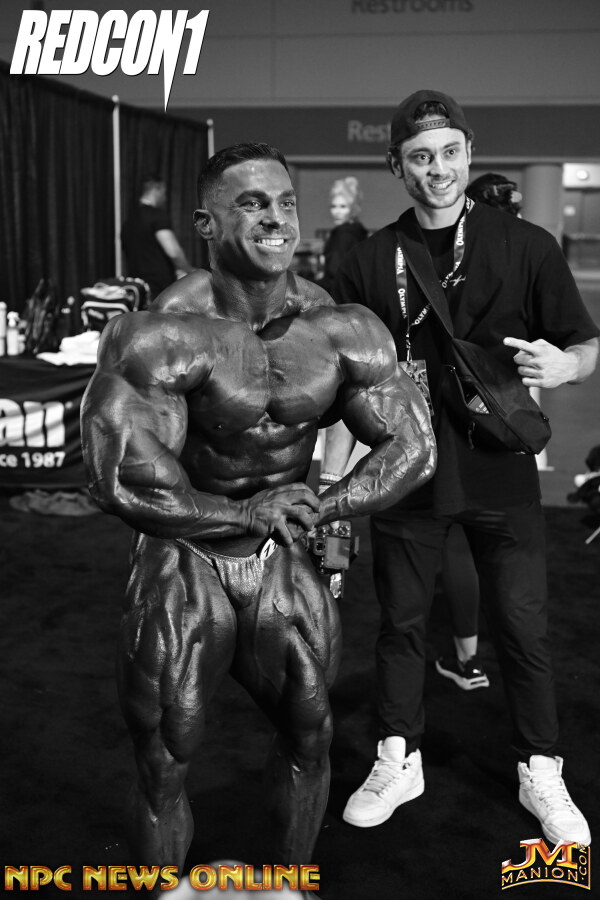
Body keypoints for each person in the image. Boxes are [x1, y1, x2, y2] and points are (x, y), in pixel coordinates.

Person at [80, 142, 436, 894]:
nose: (276, 218)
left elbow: (415, 446)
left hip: (283, 552)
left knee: (311, 733)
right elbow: (121, 479)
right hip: (187, 553)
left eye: (284, 203)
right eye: (252, 204)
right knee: (166, 751)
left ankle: (288, 884)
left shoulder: (340, 328)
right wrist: (240, 510)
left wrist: (324, 505)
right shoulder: (160, 333)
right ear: (205, 224)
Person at [321, 90, 598, 844]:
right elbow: (342, 384)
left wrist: (567, 367)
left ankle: (541, 767)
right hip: (406, 470)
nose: (437, 169)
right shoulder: (366, 261)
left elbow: (585, 343)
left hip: (500, 470)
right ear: (396, 167)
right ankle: (397, 756)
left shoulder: (527, 245)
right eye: (420, 157)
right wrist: (331, 485)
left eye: (449, 153)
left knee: (524, 628)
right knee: (401, 625)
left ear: (469, 154)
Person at [436, 172, 523, 691]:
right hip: (510, 415)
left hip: (456, 410)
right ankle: (503, 647)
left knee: (457, 535)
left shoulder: (447, 261)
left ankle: (466, 658)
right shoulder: (527, 259)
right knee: (501, 532)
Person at [121, 174, 194, 301]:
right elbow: (174, 252)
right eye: (164, 193)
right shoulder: (157, 216)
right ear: (157, 188)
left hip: (137, 288)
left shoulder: (128, 222)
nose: (165, 198)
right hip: (159, 288)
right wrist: (190, 271)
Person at [317, 177, 368, 294]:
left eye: (343, 206)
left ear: (353, 208)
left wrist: (308, 285)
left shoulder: (343, 235)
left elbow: (333, 276)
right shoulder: (359, 232)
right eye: (333, 206)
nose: (337, 212)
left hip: (338, 296)